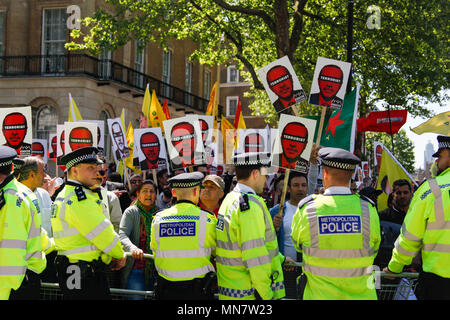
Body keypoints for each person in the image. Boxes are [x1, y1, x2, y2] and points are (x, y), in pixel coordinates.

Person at [291, 147, 381, 300]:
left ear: (324, 173)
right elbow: (375, 248)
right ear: (351, 174)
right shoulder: (368, 209)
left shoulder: (307, 209)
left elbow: (298, 245)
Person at [51, 147, 126, 300]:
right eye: (90, 168)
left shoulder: (68, 194)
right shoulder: (80, 199)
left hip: (76, 270)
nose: (96, 172)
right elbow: (103, 233)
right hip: (83, 272)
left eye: (96, 167)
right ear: (74, 171)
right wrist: (119, 254)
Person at [384, 135, 450, 300]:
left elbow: (410, 237)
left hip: (439, 282)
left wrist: (394, 267)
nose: (436, 162)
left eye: (440, 156)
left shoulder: (431, 189)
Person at [216, 152, 285, 300]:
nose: (266, 179)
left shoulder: (230, 199)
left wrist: (281, 259)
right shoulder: (250, 205)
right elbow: (255, 255)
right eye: (265, 174)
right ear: (255, 173)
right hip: (249, 294)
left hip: (231, 290)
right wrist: (265, 294)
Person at [150, 172, 217, 300]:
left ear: (174, 193)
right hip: (197, 292)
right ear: (196, 191)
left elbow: (154, 249)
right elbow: (216, 251)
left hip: (166, 291)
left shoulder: (158, 219)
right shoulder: (207, 220)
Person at [0, 147, 50, 300]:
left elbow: (11, 248)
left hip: (12, 287)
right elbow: (37, 234)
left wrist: (6, 290)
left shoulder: (9, 198)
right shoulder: (24, 191)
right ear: (13, 167)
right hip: (27, 279)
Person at [119, 180, 159, 299]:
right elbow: (122, 235)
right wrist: (133, 249)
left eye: (152, 191)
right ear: (138, 194)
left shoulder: (160, 213)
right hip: (136, 269)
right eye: (145, 191)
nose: (148, 194)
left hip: (156, 270)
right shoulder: (131, 211)